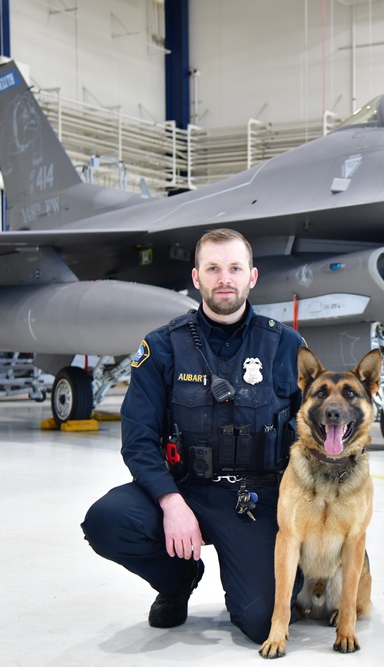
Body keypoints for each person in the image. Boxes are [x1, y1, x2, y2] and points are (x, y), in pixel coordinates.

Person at [82, 228, 305, 643]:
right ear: (196, 277)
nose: (225, 278)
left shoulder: (286, 345)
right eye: (214, 268)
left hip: (255, 499)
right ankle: (178, 579)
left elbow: (311, 434)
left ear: (251, 277)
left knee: (263, 622)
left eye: (235, 268)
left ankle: (273, 574)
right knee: (108, 521)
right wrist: (170, 502)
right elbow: (138, 439)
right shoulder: (162, 346)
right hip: (183, 489)